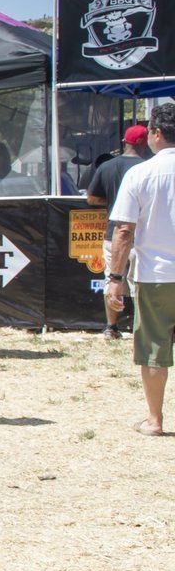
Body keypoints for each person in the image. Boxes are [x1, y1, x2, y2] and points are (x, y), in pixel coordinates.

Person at [106, 102, 175, 436]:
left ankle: (155, 419)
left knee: (152, 350)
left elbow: (123, 231)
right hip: (156, 273)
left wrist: (114, 279)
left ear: (157, 133)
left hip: (155, 275)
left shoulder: (140, 173)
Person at [89, 125, 152, 340]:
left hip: (113, 232)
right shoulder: (147, 168)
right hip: (140, 234)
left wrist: (113, 203)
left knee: (112, 279)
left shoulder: (106, 167)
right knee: (139, 283)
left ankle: (111, 327)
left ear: (124, 142)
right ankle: (139, 327)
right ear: (145, 143)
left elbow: (92, 198)